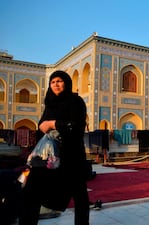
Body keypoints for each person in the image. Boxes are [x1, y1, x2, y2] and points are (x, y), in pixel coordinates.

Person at [19, 70, 90, 225]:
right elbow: (40, 127)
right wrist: (43, 127)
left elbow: (77, 127)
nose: (56, 84)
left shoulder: (76, 102)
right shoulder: (49, 103)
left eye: (59, 81)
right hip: (48, 158)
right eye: (53, 82)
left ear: (66, 82)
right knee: (31, 191)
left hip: (72, 156)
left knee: (80, 196)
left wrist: (53, 124)